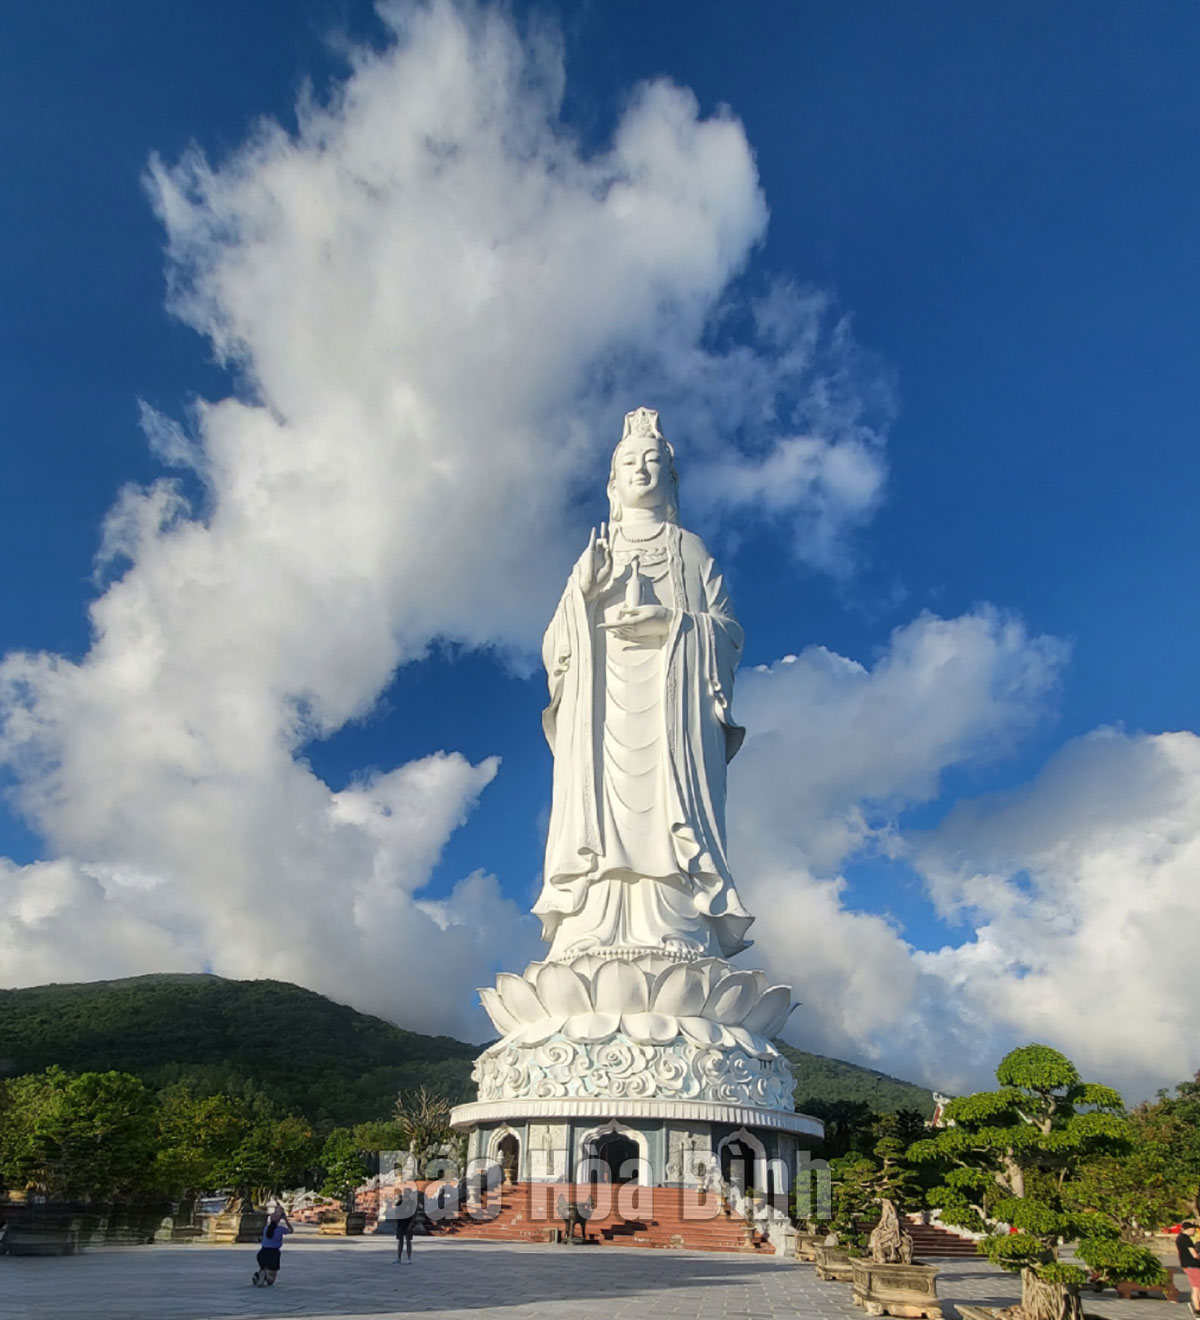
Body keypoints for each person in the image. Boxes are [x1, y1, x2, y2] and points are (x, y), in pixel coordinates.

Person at [532, 407, 753, 963]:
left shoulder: (690, 550)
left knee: (665, 810)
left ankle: (678, 927)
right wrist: (581, 593)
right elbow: (555, 647)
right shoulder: (593, 553)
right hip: (601, 707)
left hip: (670, 709)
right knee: (598, 815)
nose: (642, 470)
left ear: (671, 478)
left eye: (653, 461)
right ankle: (590, 928)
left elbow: (728, 633)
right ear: (613, 480)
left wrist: (672, 625)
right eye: (629, 461)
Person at [252, 1206, 292, 1287]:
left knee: (263, 1267)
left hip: (262, 1252)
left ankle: (259, 1275)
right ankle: (266, 1275)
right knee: (271, 1280)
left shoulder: (266, 1228)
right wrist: (286, 1220)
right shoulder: (280, 1229)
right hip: (273, 1253)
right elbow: (291, 1230)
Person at [1177, 1220, 1200, 1315]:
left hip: (1187, 1265)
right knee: (1197, 1288)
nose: (1194, 1231)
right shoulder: (1186, 1239)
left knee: (1196, 1287)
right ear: (1188, 1229)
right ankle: (1198, 1308)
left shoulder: (1180, 1238)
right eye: (1193, 1229)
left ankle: (1197, 1306)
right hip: (1193, 1265)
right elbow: (1194, 1254)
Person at [393, 1186, 421, 1262]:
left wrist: (411, 1223)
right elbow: (396, 1212)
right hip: (400, 1223)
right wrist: (396, 1222)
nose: (405, 1193)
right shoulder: (400, 1202)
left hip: (408, 1223)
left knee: (408, 1240)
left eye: (406, 1191)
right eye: (404, 1191)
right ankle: (398, 1257)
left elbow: (414, 1214)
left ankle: (409, 1258)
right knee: (400, 1240)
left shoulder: (412, 1203)